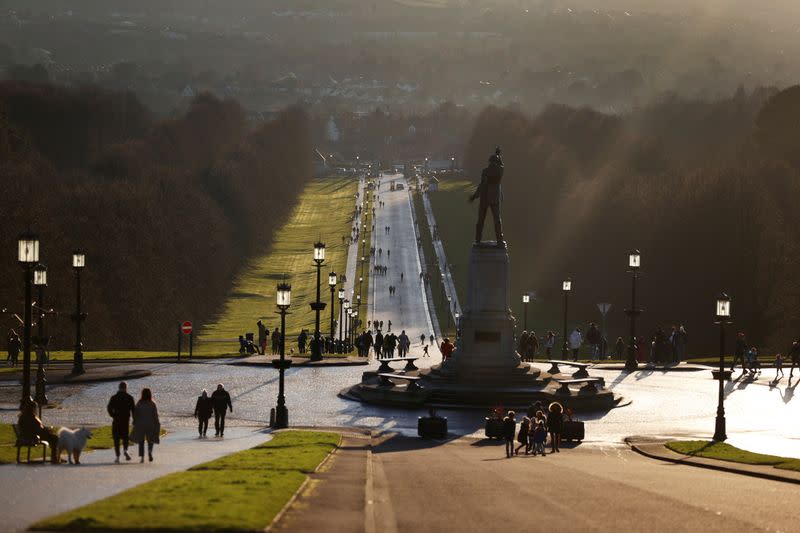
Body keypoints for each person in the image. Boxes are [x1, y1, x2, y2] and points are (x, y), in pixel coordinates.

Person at [469, 147, 505, 245]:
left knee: (481, 220)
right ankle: (500, 240)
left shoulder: (485, 171)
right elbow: (502, 164)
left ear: (489, 162)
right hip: (495, 198)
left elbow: (482, 185)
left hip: (485, 198)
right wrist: (498, 154)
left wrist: (475, 196)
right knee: (497, 220)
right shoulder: (500, 170)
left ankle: (477, 239)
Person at [18, 399, 59, 463]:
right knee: (54, 438)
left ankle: (55, 457)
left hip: (27, 436)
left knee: (52, 436)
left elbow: (35, 428)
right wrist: (46, 430)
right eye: (35, 408)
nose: (36, 410)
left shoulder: (23, 416)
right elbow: (37, 429)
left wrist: (45, 429)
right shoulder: (31, 417)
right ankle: (55, 457)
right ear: (32, 408)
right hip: (33, 437)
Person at [107, 381, 135, 463]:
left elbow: (109, 408)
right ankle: (125, 450)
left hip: (116, 420)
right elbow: (133, 410)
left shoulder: (114, 397)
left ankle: (117, 456)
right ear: (126, 388)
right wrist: (134, 420)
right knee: (125, 436)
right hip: (125, 420)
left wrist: (113, 415)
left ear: (119, 388)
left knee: (116, 438)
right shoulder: (130, 397)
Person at [131, 388, 160, 463]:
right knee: (151, 439)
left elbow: (135, 414)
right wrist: (157, 423)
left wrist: (134, 421)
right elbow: (155, 415)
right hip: (150, 424)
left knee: (141, 441)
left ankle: (142, 457)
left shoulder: (139, 403)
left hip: (141, 424)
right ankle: (150, 451)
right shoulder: (152, 403)